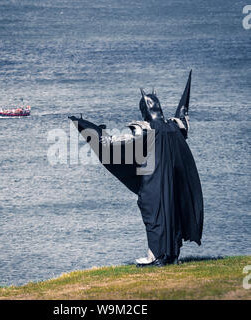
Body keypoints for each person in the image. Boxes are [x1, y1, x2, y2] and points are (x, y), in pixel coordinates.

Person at [69, 70, 203, 267]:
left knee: (154, 215)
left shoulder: (144, 129)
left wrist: (84, 125)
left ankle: (155, 256)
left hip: (153, 183)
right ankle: (172, 255)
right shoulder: (175, 127)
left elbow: (111, 143)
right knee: (171, 213)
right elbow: (183, 113)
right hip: (173, 181)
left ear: (144, 111)